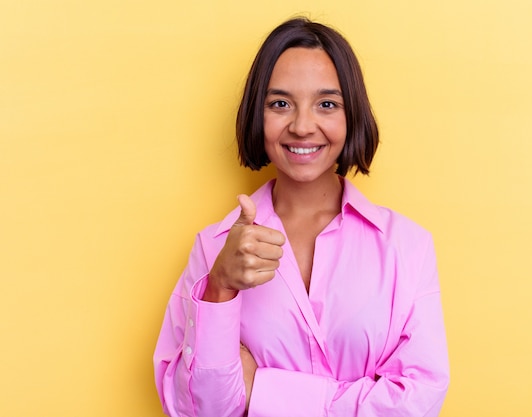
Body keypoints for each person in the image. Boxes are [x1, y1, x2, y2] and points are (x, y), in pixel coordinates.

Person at [154, 17, 449, 417]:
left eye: (327, 104)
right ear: (258, 116)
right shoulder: (214, 248)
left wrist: (263, 388)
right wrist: (220, 287)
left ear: (351, 114)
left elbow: (416, 402)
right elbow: (199, 410)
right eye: (280, 104)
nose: (302, 126)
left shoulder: (406, 245)